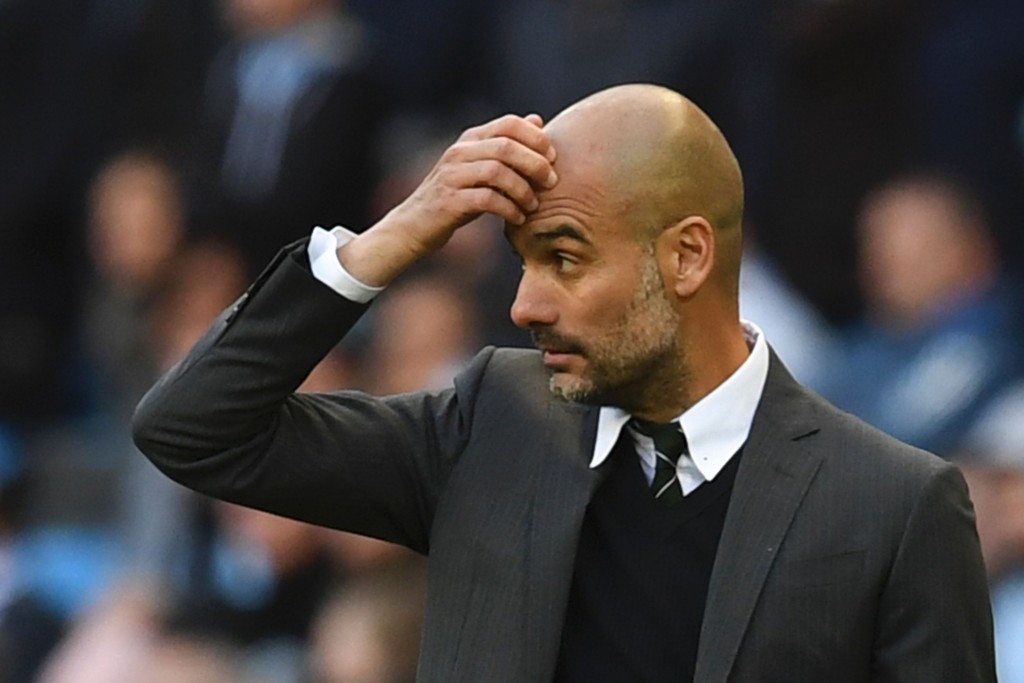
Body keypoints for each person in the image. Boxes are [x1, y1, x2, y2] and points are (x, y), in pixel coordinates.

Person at [133, 84, 995, 682]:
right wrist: (390, 239)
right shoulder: (488, 423)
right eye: (521, 261)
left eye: (565, 258)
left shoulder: (893, 505)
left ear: (687, 256)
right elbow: (194, 427)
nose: (524, 305)